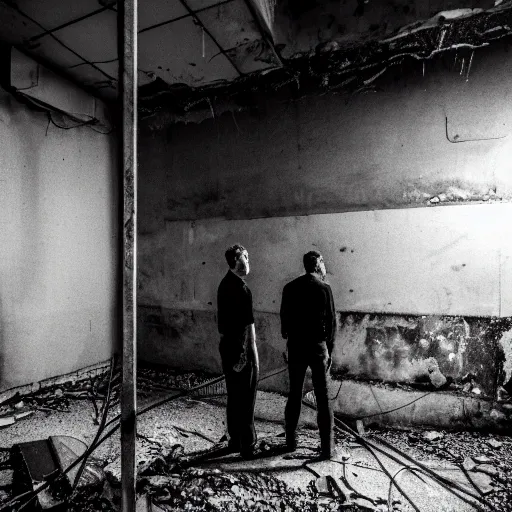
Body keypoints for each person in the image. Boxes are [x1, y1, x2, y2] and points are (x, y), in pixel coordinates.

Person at [280, 250, 337, 459]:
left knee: (294, 394)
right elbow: (331, 322)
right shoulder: (324, 289)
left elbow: (284, 322)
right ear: (318, 264)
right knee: (323, 398)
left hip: (296, 345)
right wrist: (329, 349)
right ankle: (327, 449)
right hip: (317, 346)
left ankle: (290, 442)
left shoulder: (290, 288)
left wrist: (289, 340)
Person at [217, 244, 259, 458]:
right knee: (246, 398)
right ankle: (248, 446)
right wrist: (244, 355)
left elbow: (223, 327)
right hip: (240, 351)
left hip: (228, 349)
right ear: (235, 261)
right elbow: (246, 327)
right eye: (245, 257)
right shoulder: (241, 289)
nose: (248, 260)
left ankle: (234, 441)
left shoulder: (224, 284)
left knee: (234, 396)